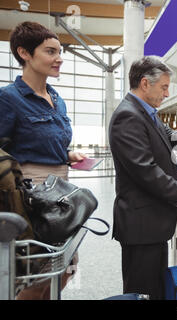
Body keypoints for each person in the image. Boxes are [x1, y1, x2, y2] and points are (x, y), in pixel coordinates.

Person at [109, 56, 177, 299]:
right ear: (145, 83)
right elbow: (146, 171)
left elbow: (169, 136)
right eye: (163, 87)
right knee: (142, 291)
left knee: (154, 289)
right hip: (140, 224)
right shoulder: (128, 116)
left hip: (151, 224)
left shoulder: (147, 114)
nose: (166, 93)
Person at [0, 21, 86, 299]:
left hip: (61, 197)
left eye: (60, 52)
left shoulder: (56, 98)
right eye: (50, 51)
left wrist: (67, 154)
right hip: (30, 201)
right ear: (24, 53)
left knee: (65, 269)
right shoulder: (9, 99)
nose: (59, 58)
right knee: (35, 275)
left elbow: (48, 142)